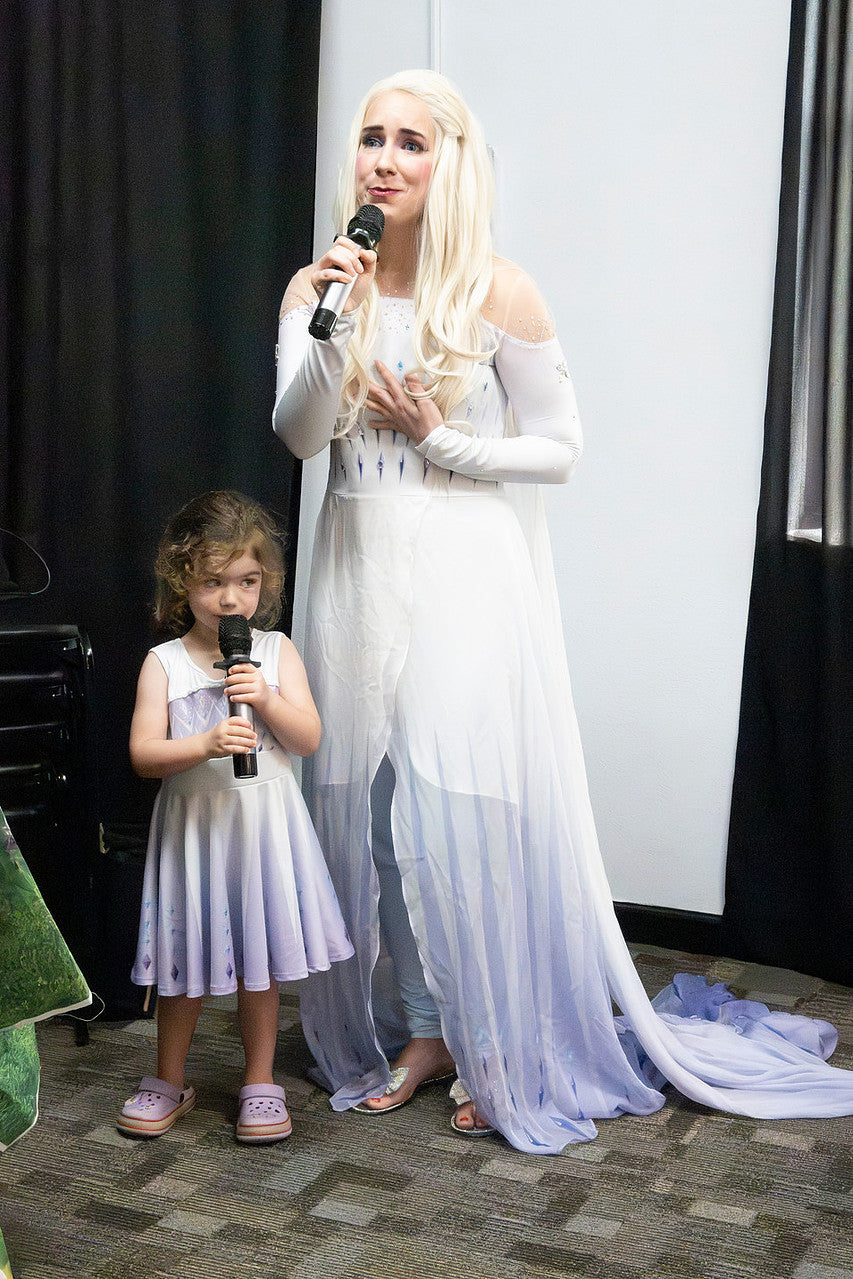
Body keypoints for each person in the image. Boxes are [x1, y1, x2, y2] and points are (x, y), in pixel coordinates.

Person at [273, 70, 853, 1154]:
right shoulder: (321, 286)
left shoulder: (499, 290)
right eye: (371, 138)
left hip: (461, 565)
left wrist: (442, 438)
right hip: (354, 565)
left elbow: (560, 447)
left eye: (410, 142)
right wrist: (328, 322)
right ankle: (428, 1030)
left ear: (449, 162)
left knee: (463, 814)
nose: (384, 160)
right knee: (379, 816)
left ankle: (499, 1041)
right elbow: (301, 435)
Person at [117, 491, 353, 1144]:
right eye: (213, 582)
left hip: (263, 835)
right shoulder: (164, 663)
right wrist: (204, 743)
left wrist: (267, 700)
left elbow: (307, 739)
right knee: (182, 963)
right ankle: (169, 1079)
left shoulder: (275, 652)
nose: (230, 599)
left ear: (264, 582)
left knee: (260, 962)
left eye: (246, 582)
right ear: (182, 581)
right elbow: (143, 755)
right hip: (195, 837)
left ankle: (258, 1080)